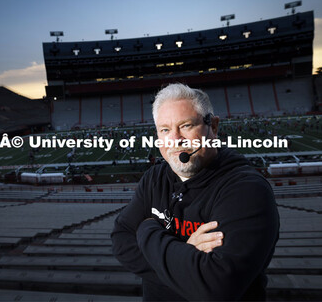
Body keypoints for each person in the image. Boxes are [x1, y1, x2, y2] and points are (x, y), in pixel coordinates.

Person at [111, 83, 280, 301]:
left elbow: (215, 287)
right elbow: (121, 242)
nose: (175, 139)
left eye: (186, 126)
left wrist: (147, 229)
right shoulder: (154, 178)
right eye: (165, 130)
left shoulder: (247, 189)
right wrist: (185, 264)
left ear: (214, 126)